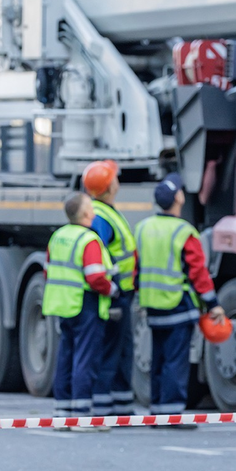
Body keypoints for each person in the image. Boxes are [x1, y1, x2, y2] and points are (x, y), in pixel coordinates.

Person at [134, 173, 224, 415]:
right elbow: (198, 273)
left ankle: (157, 408)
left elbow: (135, 268)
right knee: (176, 360)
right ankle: (171, 412)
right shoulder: (183, 231)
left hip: (152, 306)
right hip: (178, 306)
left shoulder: (143, 228)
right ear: (178, 198)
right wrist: (213, 304)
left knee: (159, 358)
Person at [43, 192, 118, 428]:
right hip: (85, 304)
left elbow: (48, 270)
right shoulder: (89, 240)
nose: (94, 213)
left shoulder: (57, 237)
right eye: (91, 210)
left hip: (62, 304)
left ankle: (62, 412)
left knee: (65, 356)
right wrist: (112, 289)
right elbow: (95, 277)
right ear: (85, 214)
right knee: (85, 359)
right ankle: (82, 415)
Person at [83, 159, 139, 416]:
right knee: (110, 351)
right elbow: (99, 256)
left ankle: (122, 407)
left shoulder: (104, 211)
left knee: (122, 350)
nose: (118, 180)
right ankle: (104, 409)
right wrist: (113, 288)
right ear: (109, 187)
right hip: (112, 295)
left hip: (121, 293)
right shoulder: (101, 217)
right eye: (114, 178)